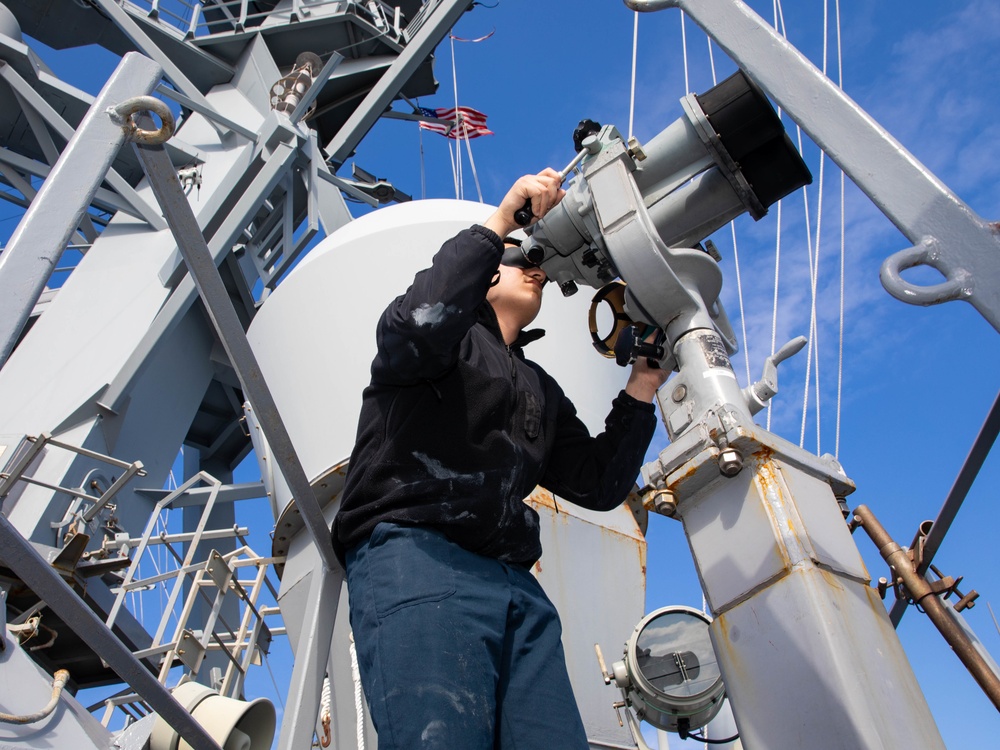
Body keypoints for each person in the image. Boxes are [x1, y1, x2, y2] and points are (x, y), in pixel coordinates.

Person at [331, 168, 669, 749]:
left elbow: (596, 483)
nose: (532, 266)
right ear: (483, 273)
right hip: (417, 554)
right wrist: (502, 219)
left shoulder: (539, 386)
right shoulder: (441, 343)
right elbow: (420, 319)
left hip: (517, 584)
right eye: (517, 259)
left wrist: (642, 382)